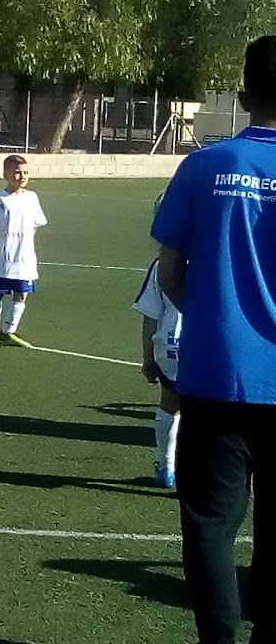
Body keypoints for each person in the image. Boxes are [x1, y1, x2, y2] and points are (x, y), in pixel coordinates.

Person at [152, 34, 276, 644]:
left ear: (244, 95)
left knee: (209, 523)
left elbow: (169, 269)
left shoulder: (205, 165)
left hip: (217, 373)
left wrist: (211, 314)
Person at [0, 154, 47, 347]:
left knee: (22, 293)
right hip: (3, 256)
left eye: (25, 172)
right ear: (5, 174)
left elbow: (36, 224)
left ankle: (8, 331)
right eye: (17, 172)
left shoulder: (32, 198)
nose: (22, 176)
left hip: (24, 257)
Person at [132, 231, 182, 489]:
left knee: (169, 404)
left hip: (171, 345)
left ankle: (165, 467)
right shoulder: (219, 260)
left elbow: (150, 315)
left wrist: (147, 357)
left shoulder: (163, 264)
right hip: (211, 348)